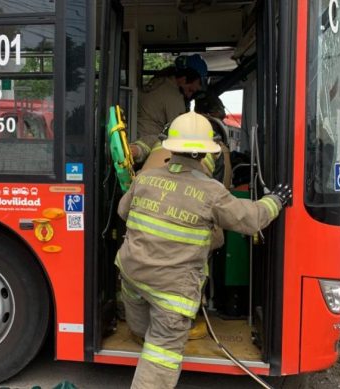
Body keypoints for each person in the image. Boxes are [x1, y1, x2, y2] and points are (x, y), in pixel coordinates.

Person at [116, 111, 292, 389]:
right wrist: (276, 200)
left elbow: (123, 212)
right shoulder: (211, 192)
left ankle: (141, 329)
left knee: (140, 325)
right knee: (161, 351)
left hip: (132, 276)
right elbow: (250, 219)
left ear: (169, 147)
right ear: (203, 154)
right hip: (170, 292)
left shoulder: (145, 178)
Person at [132, 54, 208, 164]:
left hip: (139, 140)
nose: (189, 94)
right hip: (147, 150)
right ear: (184, 79)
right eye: (191, 89)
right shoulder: (174, 97)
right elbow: (180, 132)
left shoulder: (160, 83)